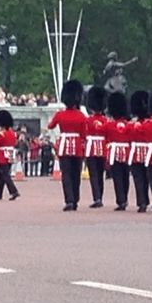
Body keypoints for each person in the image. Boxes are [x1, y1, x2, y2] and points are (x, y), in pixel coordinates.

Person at [48, 80, 87, 211]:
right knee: (76, 175)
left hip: (64, 147)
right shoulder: (81, 115)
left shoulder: (60, 114)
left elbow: (50, 126)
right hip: (77, 147)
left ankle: (69, 199)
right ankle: (75, 200)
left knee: (66, 175)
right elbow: (84, 134)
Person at [83, 86, 109, 208]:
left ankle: (97, 197)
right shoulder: (105, 120)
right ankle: (100, 197)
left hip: (91, 149)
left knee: (94, 175)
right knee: (100, 175)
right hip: (102, 149)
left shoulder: (88, 120)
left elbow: (84, 134)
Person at [106, 92, 132, 210]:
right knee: (125, 176)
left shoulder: (110, 125)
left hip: (115, 153)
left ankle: (121, 200)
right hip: (127, 153)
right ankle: (124, 198)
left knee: (117, 177)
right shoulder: (129, 125)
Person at [128, 91, 152, 213]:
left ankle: (142, 202)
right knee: (149, 178)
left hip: (136, 153)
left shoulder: (131, 125)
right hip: (149, 152)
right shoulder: (151, 124)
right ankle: (151, 200)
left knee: (139, 179)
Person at [0, 110, 21, 201]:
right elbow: (14, 143)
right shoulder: (13, 133)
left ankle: (14, 191)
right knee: (2, 175)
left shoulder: (1, 134)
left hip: (3, 155)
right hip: (10, 154)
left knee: (5, 175)